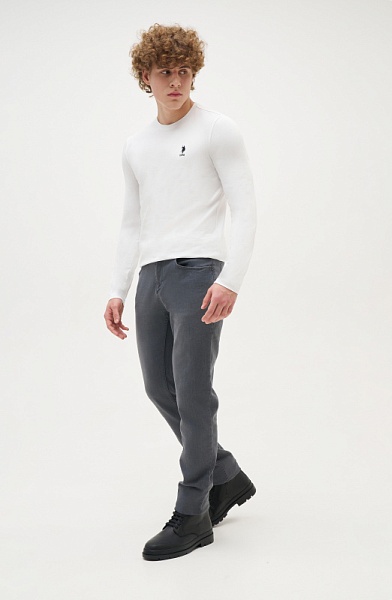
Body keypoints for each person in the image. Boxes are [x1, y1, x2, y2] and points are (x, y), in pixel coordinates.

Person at [104, 23, 257, 561]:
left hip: (199, 273)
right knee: (158, 387)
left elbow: (246, 209)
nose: (176, 81)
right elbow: (131, 221)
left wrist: (230, 279)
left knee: (193, 393)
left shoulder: (217, 130)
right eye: (165, 72)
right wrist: (118, 287)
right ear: (145, 77)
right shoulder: (136, 145)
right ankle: (226, 474)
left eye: (184, 71)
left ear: (194, 74)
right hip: (152, 277)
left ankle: (193, 511)